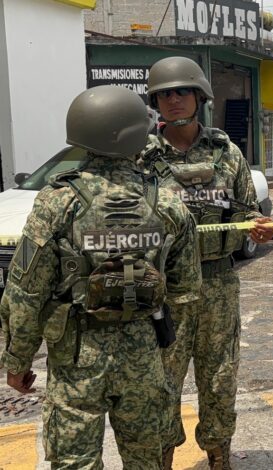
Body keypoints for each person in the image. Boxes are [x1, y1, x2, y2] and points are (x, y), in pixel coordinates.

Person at [0, 85, 202, 468]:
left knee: (75, 462)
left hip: (77, 358)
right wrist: (164, 350)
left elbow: (26, 292)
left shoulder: (57, 202)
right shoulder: (168, 203)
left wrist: (18, 360)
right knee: (146, 460)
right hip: (144, 354)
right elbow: (187, 290)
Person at [141, 56, 273, 470]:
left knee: (220, 379)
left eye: (182, 91)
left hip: (217, 285)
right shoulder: (141, 158)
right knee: (160, 383)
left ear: (199, 96)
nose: (174, 100)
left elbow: (246, 210)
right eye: (165, 94)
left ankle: (219, 458)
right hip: (164, 291)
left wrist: (258, 227)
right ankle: (161, 459)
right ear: (155, 102)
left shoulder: (227, 153)